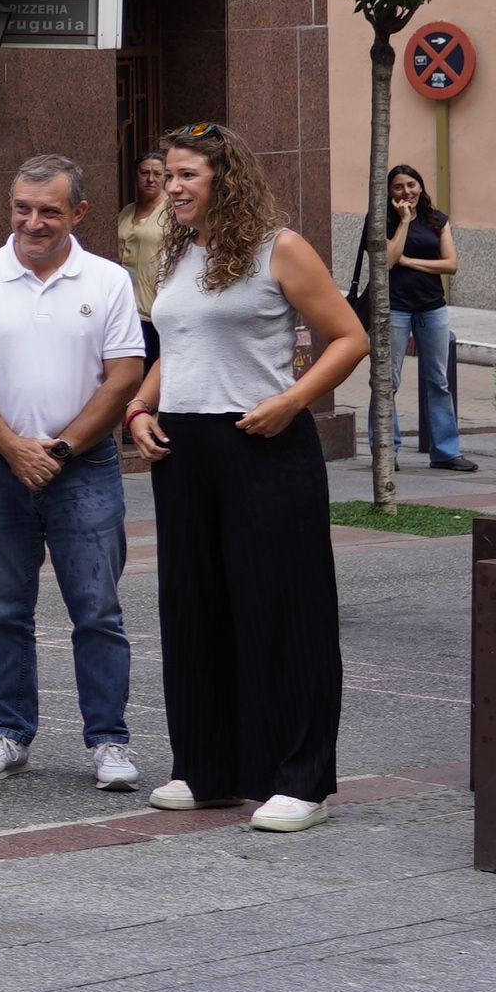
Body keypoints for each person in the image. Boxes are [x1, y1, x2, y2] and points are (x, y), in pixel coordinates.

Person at [124, 121, 367, 834]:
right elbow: (178, 347)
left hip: (262, 442)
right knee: (194, 607)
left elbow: (349, 336)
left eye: (188, 175)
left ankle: (301, 779)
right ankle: (209, 769)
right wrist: (139, 406)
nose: (173, 186)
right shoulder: (179, 252)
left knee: (282, 610)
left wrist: (293, 401)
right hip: (184, 448)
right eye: (169, 174)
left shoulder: (279, 248)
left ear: (225, 179)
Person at [0, 158, 149, 792]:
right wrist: (13, 448)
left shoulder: (108, 280)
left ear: (78, 213)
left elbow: (125, 375)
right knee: (3, 610)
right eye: (22, 208)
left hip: (84, 468)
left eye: (49, 211)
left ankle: (109, 741)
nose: (32, 222)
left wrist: (57, 450)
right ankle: (10, 733)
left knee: (97, 611)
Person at [379, 162, 473, 470]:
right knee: (386, 381)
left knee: (438, 381)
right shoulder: (380, 220)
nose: (406, 192)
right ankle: (386, 452)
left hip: (432, 307)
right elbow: (388, 260)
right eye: (398, 187)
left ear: (421, 187)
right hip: (393, 307)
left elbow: (451, 265)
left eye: (411, 185)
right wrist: (405, 222)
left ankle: (446, 451)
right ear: (389, 192)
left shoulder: (437, 219)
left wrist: (409, 261)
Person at [114, 149, 174, 346]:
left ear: (165, 177)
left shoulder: (173, 212)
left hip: (155, 307)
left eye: (157, 174)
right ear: (135, 175)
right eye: (144, 173)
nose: (150, 179)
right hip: (126, 306)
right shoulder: (126, 211)